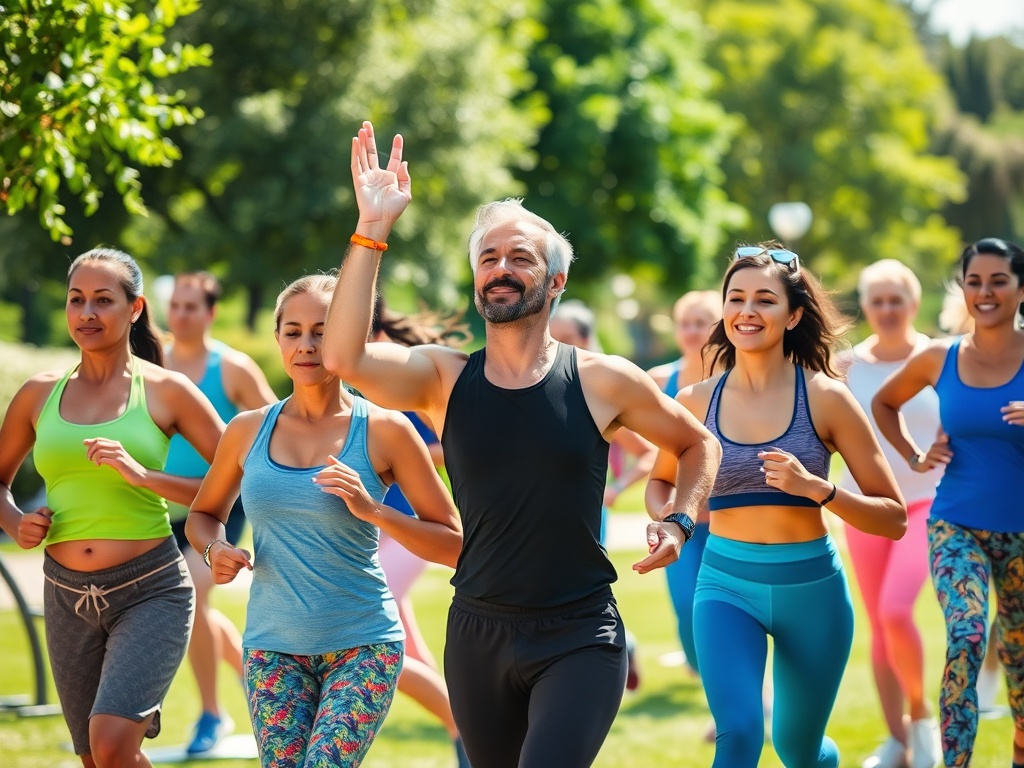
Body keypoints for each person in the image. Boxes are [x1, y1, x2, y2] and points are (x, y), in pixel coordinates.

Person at [324, 121, 721, 768]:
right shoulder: (443, 378)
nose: (501, 270)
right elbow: (342, 357)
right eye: (489, 259)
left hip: (580, 632)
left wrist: (679, 519)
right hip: (477, 631)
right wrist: (373, 227)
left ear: (556, 283)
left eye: (521, 258)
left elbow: (697, 444)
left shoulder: (603, 380)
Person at [186, 274, 463, 768]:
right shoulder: (247, 430)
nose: (307, 345)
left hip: (363, 645)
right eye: (293, 331)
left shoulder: (386, 429)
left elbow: (452, 543)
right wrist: (214, 549)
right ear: (277, 340)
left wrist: (373, 509)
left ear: (348, 340)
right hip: (272, 648)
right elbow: (204, 516)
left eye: (323, 330)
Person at [648, 244, 907, 768]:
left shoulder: (828, 398)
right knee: (739, 736)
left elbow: (893, 517)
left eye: (765, 300)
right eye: (736, 298)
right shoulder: (695, 401)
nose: (747, 310)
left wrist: (820, 490)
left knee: (798, 749)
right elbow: (659, 482)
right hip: (724, 585)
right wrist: (672, 521)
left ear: (792, 315)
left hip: (812, 591)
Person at [0, 247, 225, 768]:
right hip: (63, 593)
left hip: (151, 590)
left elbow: (233, 477)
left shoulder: (169, 391)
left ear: (136, 308)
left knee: (110, 743)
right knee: (98, 759)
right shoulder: (38, 395)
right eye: (76, 300)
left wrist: (146, 477)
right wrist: (14, 522)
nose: (87, 313)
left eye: (103, 300)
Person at [873, 237, 1024, 768]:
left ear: (1020, 288)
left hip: (1022, 533)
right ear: (964, 289)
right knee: (966, 633)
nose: (985, 292)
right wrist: (916, 456)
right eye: (975, 281)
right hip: (955, 522)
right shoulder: (941, 356)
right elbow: (882, 402)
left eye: (998, 281)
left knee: (1021, 664)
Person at [164, 270, 277, 754]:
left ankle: (211, 714)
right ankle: (249, 681)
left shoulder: (231, 367)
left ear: (211, 314)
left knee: (189, 597)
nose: (182, 315)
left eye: (192, 307)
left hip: (219, 509)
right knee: (197, 610)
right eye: (176, 306)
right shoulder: (153, 365)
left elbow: (279, 425)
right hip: (161, 509)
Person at [837, 260, 943, 768]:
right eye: (876, 300)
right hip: (865, 507)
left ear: (914, 302)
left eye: (895, 299)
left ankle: (922, 720)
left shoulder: (941, 357)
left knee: (897, 611)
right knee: (878, 624)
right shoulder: (844, 365)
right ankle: (896, 742)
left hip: (929, 502)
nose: (886, 309)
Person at [371, 295, 471, 768]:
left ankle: (466, 724)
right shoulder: (350, 376)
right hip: (374, 530)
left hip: (413, 523)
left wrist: (407, 459)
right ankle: (468, 729)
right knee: (404, 643)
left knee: (373, 640)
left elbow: (448, 443)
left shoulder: (398, 370)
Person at [549, 298, 657, 692]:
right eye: (552, 337)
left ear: (586, 337)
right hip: (543, 512)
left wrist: (615, 488)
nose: (555, 344)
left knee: (577, 592)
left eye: (565, 337)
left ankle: (607, 654)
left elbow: (648, 453)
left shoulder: (606, 389)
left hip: (589, 514)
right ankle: (620, 647)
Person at [646, 290, 720, 677]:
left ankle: (750, 699)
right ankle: (704, 675)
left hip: (729, 522)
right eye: (684, 323)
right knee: (687, 608)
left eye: (701, 322)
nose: (692, 332)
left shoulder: (736, 381)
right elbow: (651, 455)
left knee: (726, 617)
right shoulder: (660, 381)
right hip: (681, 523)